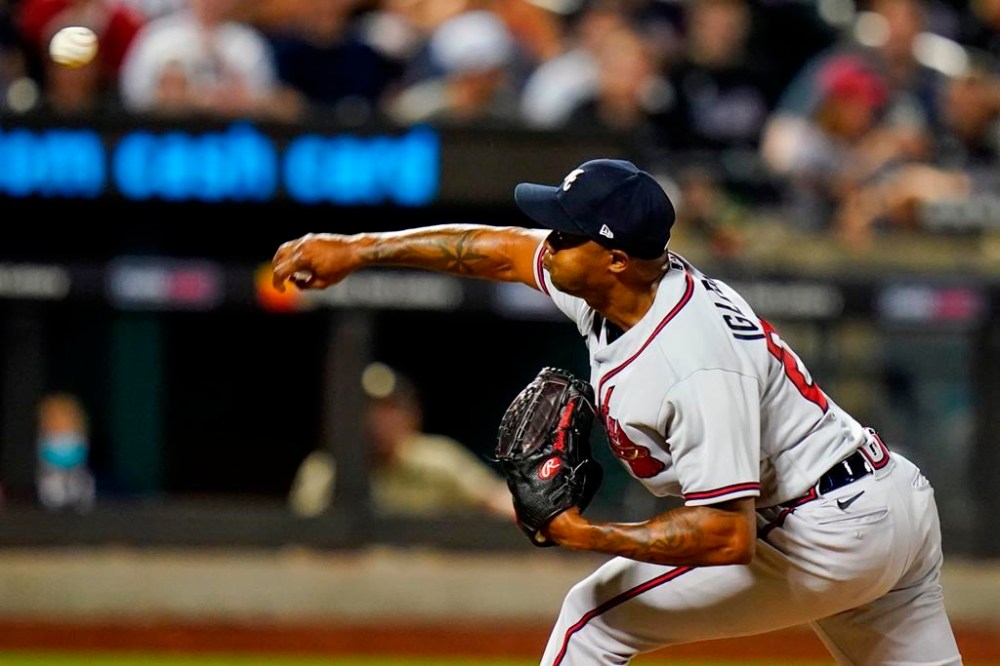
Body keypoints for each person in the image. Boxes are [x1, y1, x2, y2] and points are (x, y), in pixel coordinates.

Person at [271, 158, 961, 665]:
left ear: (617, 259)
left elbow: (726, 537)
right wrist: (360, 249)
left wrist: (584, 533)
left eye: (567, 234)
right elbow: (498, 251)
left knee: (592, 621)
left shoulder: (693, 360)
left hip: (825, 528)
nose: (550, 241)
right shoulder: (616, 285)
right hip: (883, 499)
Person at [289, 361, 515, 521]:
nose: (378, 421)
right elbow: (301, 535)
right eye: (368, 409)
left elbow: (498, 500)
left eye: (390, 409)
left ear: (412, 415)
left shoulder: (438, 460)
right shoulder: (326, 468)